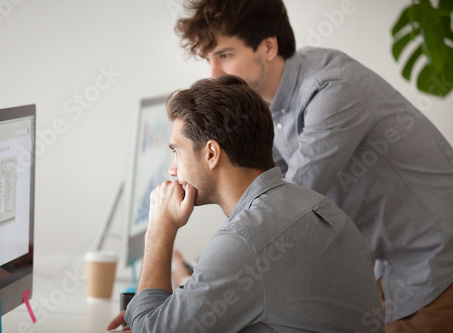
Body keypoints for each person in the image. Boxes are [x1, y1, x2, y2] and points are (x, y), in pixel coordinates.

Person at [173, 0, 453, 331]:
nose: (214, 74)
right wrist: (201, 284)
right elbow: (255, 195)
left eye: (225, 55)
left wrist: (195, 286)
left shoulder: (332, 90)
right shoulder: (266, 105)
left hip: (435, 264)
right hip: (389, 271)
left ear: (268, 46)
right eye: (209, 59)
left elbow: (280, 214)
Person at [108, 75, 384, 332]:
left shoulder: (248, 239)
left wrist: (159, 231)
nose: (172, 170)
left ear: (212, 153)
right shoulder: (315, 206)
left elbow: (152, 330)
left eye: (177, 152)